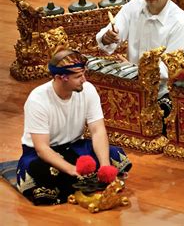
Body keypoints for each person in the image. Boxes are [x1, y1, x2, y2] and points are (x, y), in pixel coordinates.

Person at [16, 48, 132, 205]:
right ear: (60, 78)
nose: (84, 79)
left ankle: (77, 181)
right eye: (78, 76)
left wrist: (105, 166)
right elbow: (42, 149)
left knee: (113, 154)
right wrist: (72, 170)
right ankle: (73, 181)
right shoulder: (37, 100)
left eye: (84, 74)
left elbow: (98, 131)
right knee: (44, 173)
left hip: (75, 147)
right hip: (42, 155)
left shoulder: (88, 90)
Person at [96, 0, 184, 133]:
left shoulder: (181, 22)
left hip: (167, 91)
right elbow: (108, 39)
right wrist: (107, 38)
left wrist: (133, 69)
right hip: (135, 84)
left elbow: (171, 70)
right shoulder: (133, 7)